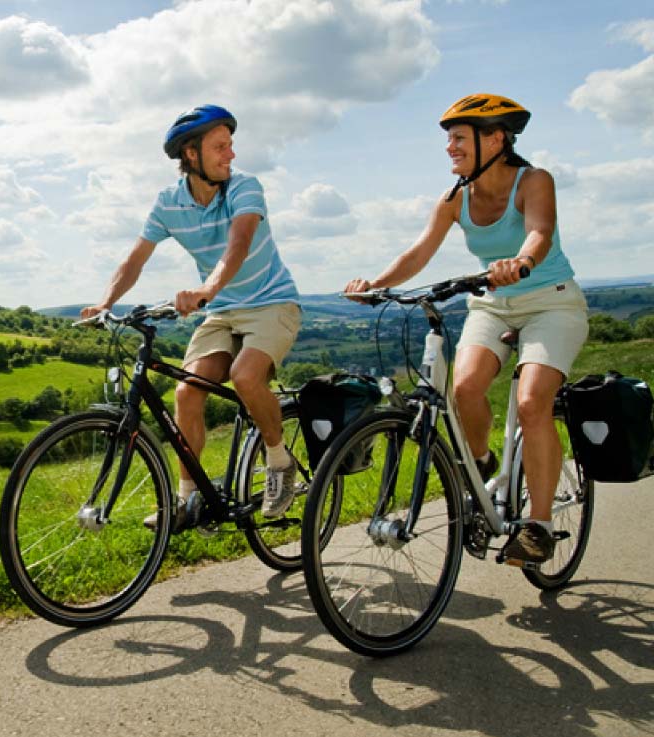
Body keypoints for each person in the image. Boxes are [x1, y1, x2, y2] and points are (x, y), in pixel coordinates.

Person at [344, 93, 588, 565]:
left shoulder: (533, 180)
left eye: (459, 138)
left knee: (532, 401)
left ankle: (537, 525)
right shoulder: (454, 198)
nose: (450, 148)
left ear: (496, 138)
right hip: (493, 305)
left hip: (551, 302)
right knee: (463, 387)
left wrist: (523, 259)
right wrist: (375, 284)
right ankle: (480, 467)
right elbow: (418, 253)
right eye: (449, 140)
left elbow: (540, 230)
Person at [80, 104, 302, 530]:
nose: (231, 155)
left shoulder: (245, 188)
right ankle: (186, 500)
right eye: (220, 147)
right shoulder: (169, 203)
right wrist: (106, 301)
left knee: (246, 377)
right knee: (186, 393)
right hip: (221, 313)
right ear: (191, 155)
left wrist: (204, 290)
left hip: (271, 304)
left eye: (231, 145)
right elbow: (135, 259)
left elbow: (237, 245)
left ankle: (279, 461)